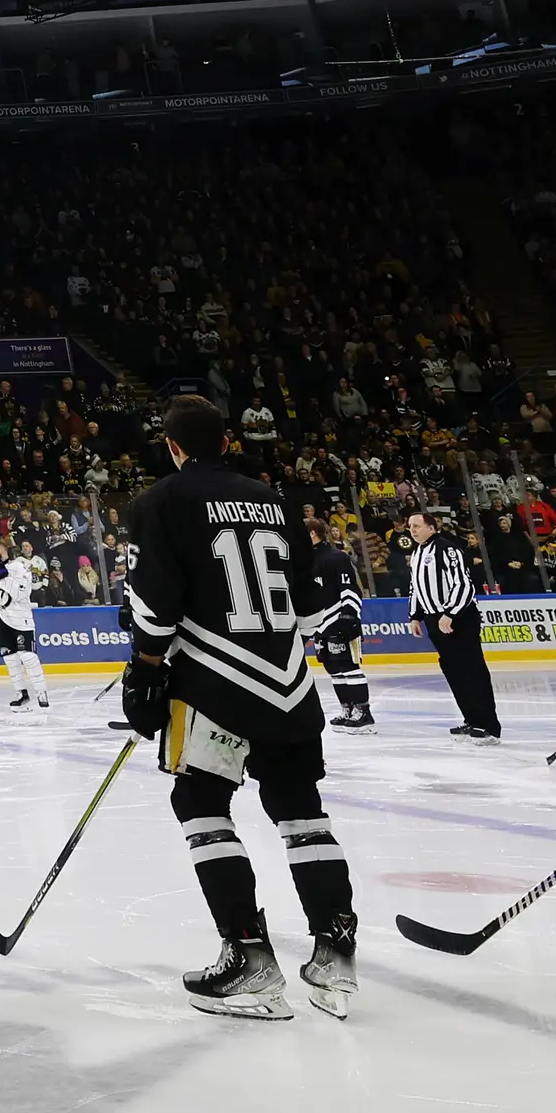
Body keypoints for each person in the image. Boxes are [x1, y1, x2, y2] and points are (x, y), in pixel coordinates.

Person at [118, 394, 360, 1021]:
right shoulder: (275, 500)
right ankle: (335, 955)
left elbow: (155, 604)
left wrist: (145, 669)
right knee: (301, 811)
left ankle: (249, 960)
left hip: (212, 685)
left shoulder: (161, 500)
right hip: (289, 682)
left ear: (171, 446)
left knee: (199, 804)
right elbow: (308, 607)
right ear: (226, 441)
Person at [407, 510, 501, 740]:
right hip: (434, 618)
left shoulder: (447, 548)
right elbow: (416, 587)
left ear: (432, 527)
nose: (412, 530)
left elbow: (463, 584)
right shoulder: (417, 553)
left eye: (416, 526)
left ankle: (488, 725)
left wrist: (450, 612)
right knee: (453, 671)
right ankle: (471, 719)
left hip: (458, 616)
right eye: (410, 526)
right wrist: (415, 616)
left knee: (472, 669)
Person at [304, 516, 372, 730]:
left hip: (338, 619)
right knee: (332, 667)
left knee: (348, 666)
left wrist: (349, 616)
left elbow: (350, 589)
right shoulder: (307, 560)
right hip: (320, 624)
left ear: (313, 533)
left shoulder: (336, 557)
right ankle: (348, 708)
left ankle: (364, 713)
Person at [0, 547, 48, 708]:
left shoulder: (20, 566)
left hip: (20, 618)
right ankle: (21, 693)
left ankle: (41, 692)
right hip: (0, 619)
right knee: (10, 658)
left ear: (3, 550)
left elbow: (21, 593)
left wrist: (3, 575)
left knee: (28, 656)